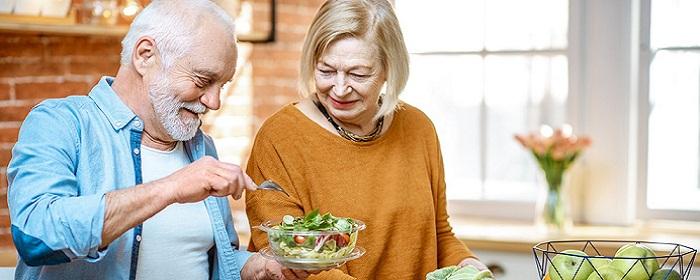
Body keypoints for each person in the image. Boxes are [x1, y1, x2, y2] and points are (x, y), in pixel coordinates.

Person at [7, 1, 305, 279]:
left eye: (222, 85)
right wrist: (170, 187)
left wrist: (255, 266)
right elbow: (35, 236)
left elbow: (203, 257)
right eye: (203, 81)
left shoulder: (199, 146)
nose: (214, 102)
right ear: (145, 55)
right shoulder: (62, 122)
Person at [244, 0, 489, 279]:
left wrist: (470, 265)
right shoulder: (280, 138)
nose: (339, 88)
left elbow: (440, 234)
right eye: (326, 70)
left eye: (358, 73)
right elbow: (289, 262)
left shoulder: (419, 128)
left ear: (389, 69)